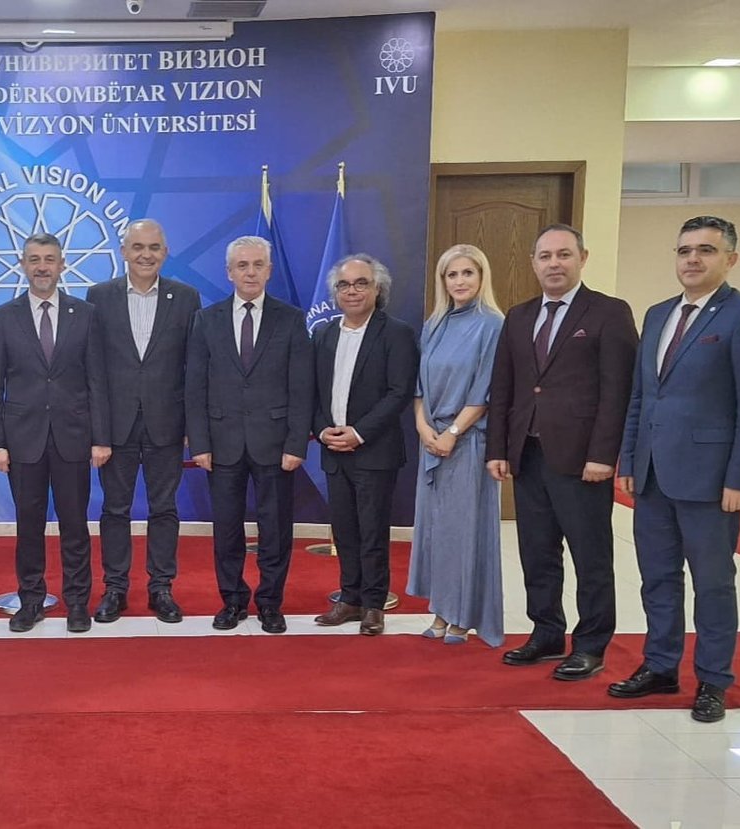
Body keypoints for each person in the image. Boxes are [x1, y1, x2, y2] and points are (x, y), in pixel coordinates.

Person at [609, 216, 740, 723]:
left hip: (710, 479)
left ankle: (713, 679)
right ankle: (661, 666)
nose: (693, 259)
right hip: (653, 475)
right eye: (684, 250)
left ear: (731, 259)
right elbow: (642, 396)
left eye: (706, 250)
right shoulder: (658, 314)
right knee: (657, 578)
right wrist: (630, 459)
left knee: (713, 583)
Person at [486, 224, 637, 681]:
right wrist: (498, 448)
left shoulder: (609, 313)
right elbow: (505, 387)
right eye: (545, 256)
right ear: (533, 263)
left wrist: (604, 454)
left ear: (582, 258)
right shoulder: (519, 316)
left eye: (564, 254)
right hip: (528, 455)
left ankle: (591, 644)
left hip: (582, 460)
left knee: (590, 557)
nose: (554, 263)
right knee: (537, 551)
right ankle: (546, 632)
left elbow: (618, 391)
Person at [0, 233, 111, 633]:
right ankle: (30, 601)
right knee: (29, 527)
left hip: (74, 437)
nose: (42, 266)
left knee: (75, 526)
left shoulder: (85, 314)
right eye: (35, 259)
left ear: (62, 265)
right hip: (23, 441)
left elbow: (97, 380)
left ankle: (77, 604)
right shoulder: (4, 316)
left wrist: (101, 438)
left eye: (49, 259)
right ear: (23, 264)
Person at [186, 236, 313, 634]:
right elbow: (194, 386)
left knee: (275, 529)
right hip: (221, 444)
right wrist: (199, 443)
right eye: (242, 265)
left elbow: (302, 387)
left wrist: (296, 443)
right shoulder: (206, 320)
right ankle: (232, 600)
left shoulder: (290, 319)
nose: (251, 272)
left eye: (258, 265)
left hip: (275, 444)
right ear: (229, 272)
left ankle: (271, 603)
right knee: (226, 529)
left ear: (269, 271)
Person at [85, 219, 202, 624]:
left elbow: (194, 367)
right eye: (137, 247)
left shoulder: (185, 297)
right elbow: (93, 369)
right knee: (115, 509)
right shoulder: (99, 296)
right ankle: (115, 588)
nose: (145, 255)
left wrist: (192, 426)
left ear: (165, 252)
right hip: (115, 426)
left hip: (167, 423)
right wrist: (98, 430)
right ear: (123, 251)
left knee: (164, 508)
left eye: (154, 247)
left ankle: (161, 588)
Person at [310, 254, 419, 637]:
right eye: (344, 284)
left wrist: (358, 433)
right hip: (332, 449)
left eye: (361, 283)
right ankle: (350, 598)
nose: (352, 291)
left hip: (374, 451)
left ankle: (373, 604)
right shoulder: (324, 334)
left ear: (377, 289)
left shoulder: (397, 333)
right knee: (344, 530)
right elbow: (312, 392)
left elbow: (399, 392)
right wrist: (322, 430)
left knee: (372, 531)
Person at [406, 244, 506, 647]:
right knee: (437, 531)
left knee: (464, 531)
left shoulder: (493, 324)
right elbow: (418, 386)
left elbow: (487, 388)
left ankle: (463, 614)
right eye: (452, 275)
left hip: (467, 442)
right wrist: (423, 427)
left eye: (468, 273)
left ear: (482, 277)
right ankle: (442, 609)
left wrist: (452, 432)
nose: (460, 281)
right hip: (431, 441)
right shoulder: (434, 324)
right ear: (442, 281)